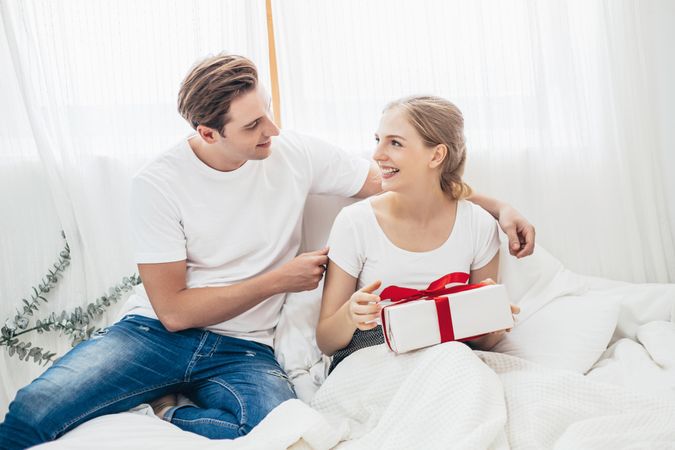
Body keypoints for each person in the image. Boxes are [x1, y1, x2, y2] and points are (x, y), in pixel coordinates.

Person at [0, 56, 533, 449]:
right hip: (156, 336)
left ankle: (166, 415)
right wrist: (279, 280)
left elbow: (404, 181)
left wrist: (497, 206)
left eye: (269, 113)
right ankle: (153, 390)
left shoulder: (292, 152)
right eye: (254, 125)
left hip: (248, 350)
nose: (272, 131)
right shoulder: (157, 185)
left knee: (284, 432)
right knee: (32, 412)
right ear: (208, 132)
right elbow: (174, 310)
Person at [317, 96, 521, 373]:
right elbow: (326, 341)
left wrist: (493, 321)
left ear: (436, 155)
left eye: (395, 143)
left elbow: (482, 342)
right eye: (378, 140)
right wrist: (350, 314)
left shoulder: (478, 225)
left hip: (449, 358)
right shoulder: (355, 223)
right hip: (373, 357)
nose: (377, 154)